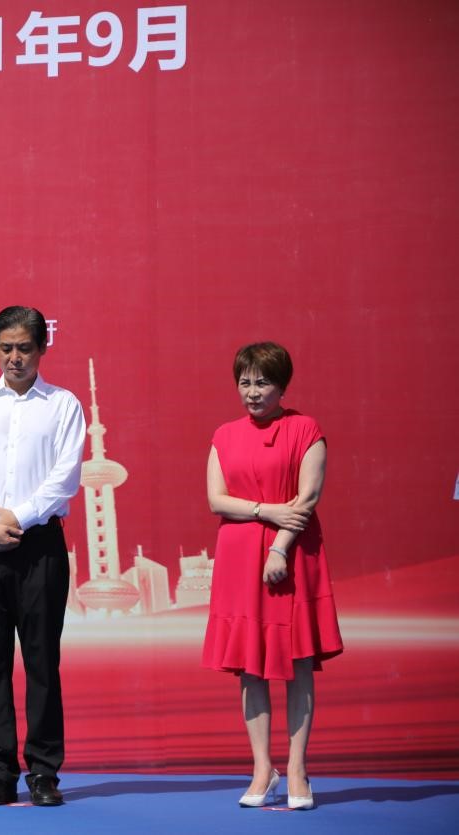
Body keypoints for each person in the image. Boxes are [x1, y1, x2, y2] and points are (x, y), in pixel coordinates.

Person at [0, 305, 87, 807]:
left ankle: (44, 772)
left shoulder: (64, 405)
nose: (15, 358)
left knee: (42, 661)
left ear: (42, 348)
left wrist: (20, 517)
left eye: (24, 348)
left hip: (40, 546)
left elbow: (65, 477)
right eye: (5, 348)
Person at [201, 342, 343, 811]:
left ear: (282, 385)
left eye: (262, 382)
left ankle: (298, 768)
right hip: (239, 558)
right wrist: (265, 510)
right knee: (250, 666)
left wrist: (279, 546)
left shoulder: (305, 429)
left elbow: (307, 499)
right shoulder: (224, 435)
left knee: (297, 661)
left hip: (293, 555)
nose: (252, 392)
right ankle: (263, 768)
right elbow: (217, 500)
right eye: (245, 382)